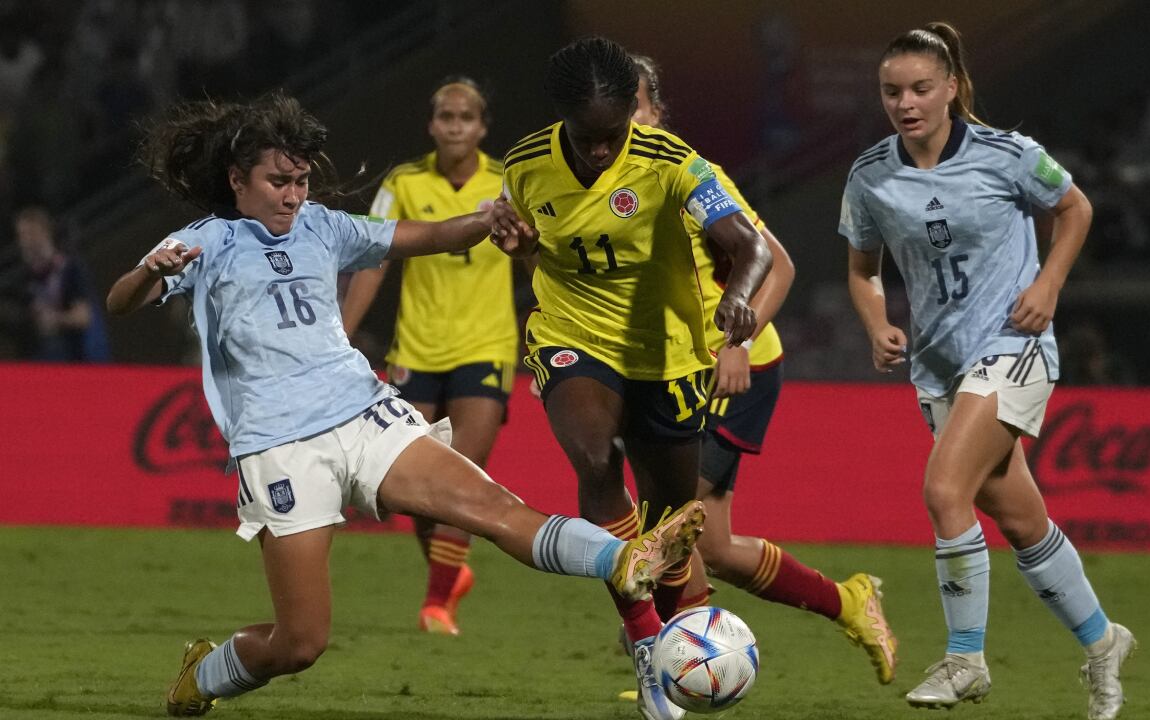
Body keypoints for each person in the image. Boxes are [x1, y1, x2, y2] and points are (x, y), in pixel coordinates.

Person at [105, 91, 705, 717]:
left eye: (302, 181)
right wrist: (151, 271)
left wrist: (488, 221)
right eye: (278, 182)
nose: (293, 195)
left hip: (364, 414)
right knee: (302, 642)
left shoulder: (323, 226)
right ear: (237, 179)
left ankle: (624, 556)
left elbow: (428, 235)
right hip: (279, 445)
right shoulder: (209, 240)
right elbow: (121, 301)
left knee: (492, 507)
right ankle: (205, 673)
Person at [839, 23, 1135, 719]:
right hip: (940, 364)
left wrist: (1050, 284)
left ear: (952, 89)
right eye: (891, 91)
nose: (905, 103)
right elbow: (861, 268)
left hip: (1014, 344)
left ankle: (966, 659)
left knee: (945, 490)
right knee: (1021, 518)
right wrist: (877, 322)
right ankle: (1103, 642)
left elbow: (1074, 207)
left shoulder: (1007, 154)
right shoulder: (871, 175)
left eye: (919, 89)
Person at [496, 36, 771, 720]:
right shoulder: (525, 164)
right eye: (587, 138)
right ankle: (651, 654)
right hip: (571, 333)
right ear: (563, 119)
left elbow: (752, 245)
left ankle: (674, 634)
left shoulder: (672, 162)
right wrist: (524, 250)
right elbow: (533, 252)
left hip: (666, 353)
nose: (599, 151)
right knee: (592, 460)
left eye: (611, 136)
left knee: (671, 526)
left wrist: (740, 298)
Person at [627, 53, 898, 686]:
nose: (622, 120)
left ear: (656, 113)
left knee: (675, 526)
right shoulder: (607, 187)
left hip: (732, 370)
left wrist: (737, 345)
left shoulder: (692, 177)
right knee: (712, 546)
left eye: (634, 105)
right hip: (665, 372)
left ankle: (677, 666)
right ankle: (848, 602)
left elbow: (778, 264)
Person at [340, 77, 513, 636]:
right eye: (446, 116)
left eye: (466, 116)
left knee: (463, 470)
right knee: (412, 483)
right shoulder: (404, 182)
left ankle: (438, 604)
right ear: (432, 125)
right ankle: (449, 572)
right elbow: (372, 256)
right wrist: (341, 330)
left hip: (487, 346)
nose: (456, 124)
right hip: (416, 347)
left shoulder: (509, 182)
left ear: (482, 126)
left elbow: (535, 254)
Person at [16, 205, 110, 362]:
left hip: (86, 358)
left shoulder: (71, 268)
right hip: (56, 362)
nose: (25, 241)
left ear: (44, 232)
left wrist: (55, 319)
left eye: (29, 234)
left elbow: (84, 317)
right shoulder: (29, 280)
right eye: (21, 236)